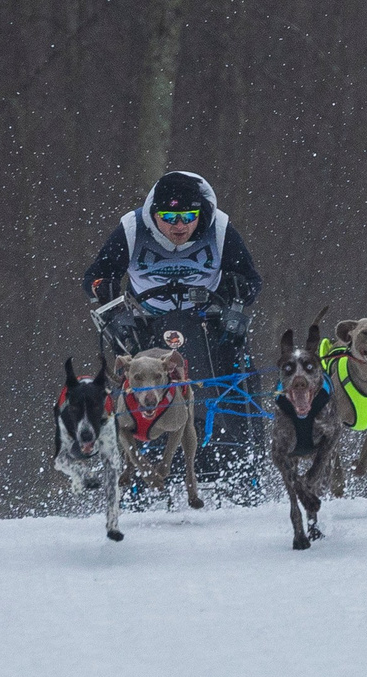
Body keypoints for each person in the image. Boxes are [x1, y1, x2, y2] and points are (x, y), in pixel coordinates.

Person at [83, 170, 263, 481]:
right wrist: (104, 289)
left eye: (188, 217)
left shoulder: (219, 227)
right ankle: (130, 459)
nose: (179, 226)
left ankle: (243, 457)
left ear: (200, 214)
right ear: (154, 214)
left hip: (209, 321)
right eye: (168, 217)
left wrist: (240, 288)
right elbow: (95, 277)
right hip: (147, 322)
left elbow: (252, 280)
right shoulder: (132, 228)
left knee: (239, 367)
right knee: (128, 372)